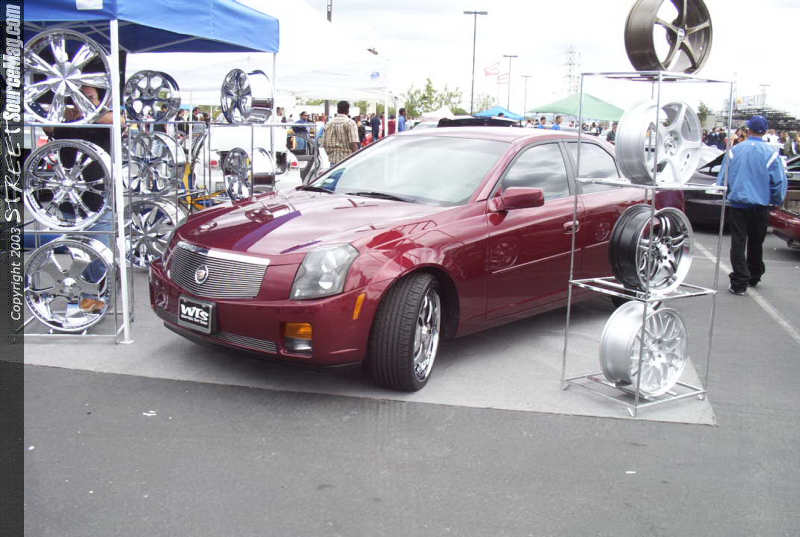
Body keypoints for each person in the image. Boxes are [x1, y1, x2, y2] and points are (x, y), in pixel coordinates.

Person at [717, 115, 787, 295]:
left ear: (748, 130)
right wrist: (776, 200)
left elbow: (722, 179)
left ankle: (739, 282)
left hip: (738, 205)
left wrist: (728, 192)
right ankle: (754, 274)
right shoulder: (772, 153)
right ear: (765, 132)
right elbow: (779, 182)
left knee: (738, 242)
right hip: (761, 206)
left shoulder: (734, 151)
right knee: (756, 242)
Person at [322, 100, 360, 165]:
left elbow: (324, 143)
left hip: (333, 161)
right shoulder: (350, 123)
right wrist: (356, 158)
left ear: (337, 109)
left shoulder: (329, 123)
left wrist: (330, 154)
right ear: (348, 110)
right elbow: (353, 143)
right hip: (347, 160)